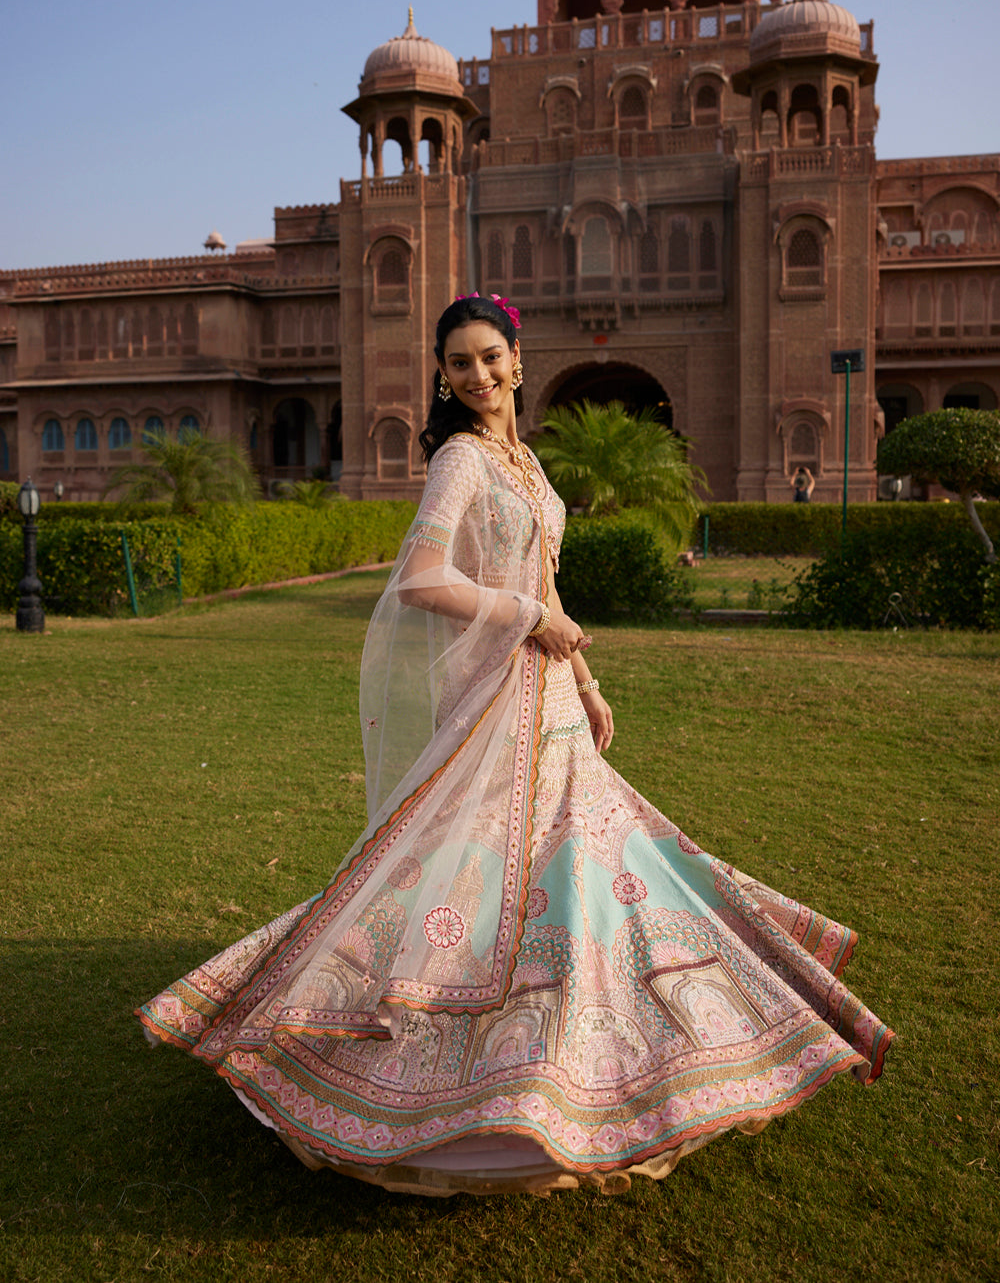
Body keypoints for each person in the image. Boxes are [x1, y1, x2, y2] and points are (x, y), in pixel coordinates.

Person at [137, 293, 892, 1196]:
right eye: (460, 364)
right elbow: (422, 579)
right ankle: (463, 1059)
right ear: (445, 379)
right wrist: (532, 620)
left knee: (571, 866)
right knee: (476, 863)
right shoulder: (460, 459)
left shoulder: (523, 460)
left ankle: (580, 1045)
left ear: (518, 361)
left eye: (491, 357)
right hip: (495, 698)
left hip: (551, 699)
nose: (479, 375)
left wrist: (585, 678)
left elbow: (545, 580)